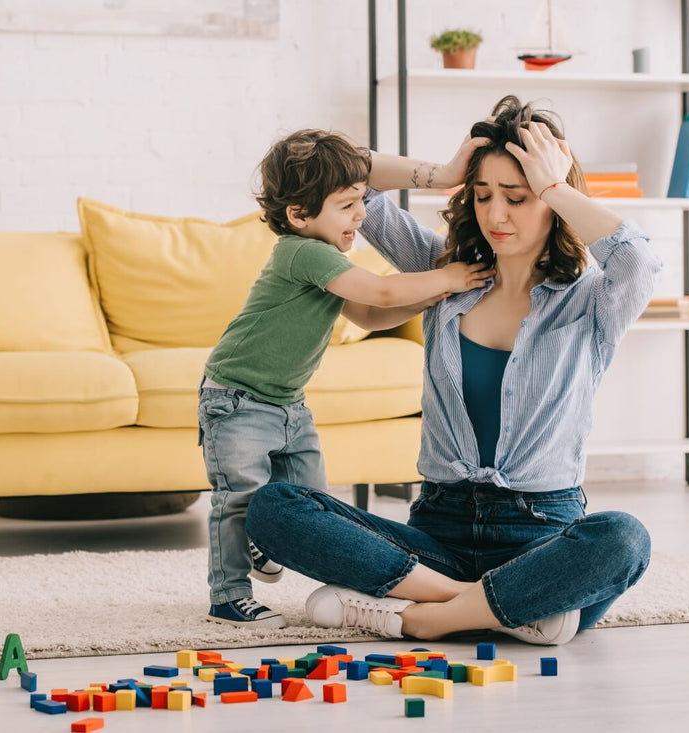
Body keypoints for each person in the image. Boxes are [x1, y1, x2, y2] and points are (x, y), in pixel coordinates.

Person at [245, 96, 661, 644]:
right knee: (275, 507)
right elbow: (345, 171)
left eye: (517, 197)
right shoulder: (444, 272)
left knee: (625, 539)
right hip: (439, 531)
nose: (495, 215)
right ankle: (501, 607)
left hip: (540, 533)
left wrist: (557, 186)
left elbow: (639, 259)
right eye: (482, 195)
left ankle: (420, 615)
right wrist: (440, 173)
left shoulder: (591, 302)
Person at [201, 128, 491, 629]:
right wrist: (449, 277)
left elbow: (370, 317)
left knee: (314, 498)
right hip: (238, 400)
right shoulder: (303, 252)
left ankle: (264, 534)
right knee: (237, 499)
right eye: (346, 205)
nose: (361, 214)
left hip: (288, 404)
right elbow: (379, 294)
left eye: (361, 200)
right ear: (299, 216)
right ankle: (228, 595)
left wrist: (430, 296)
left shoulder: (330, 257)